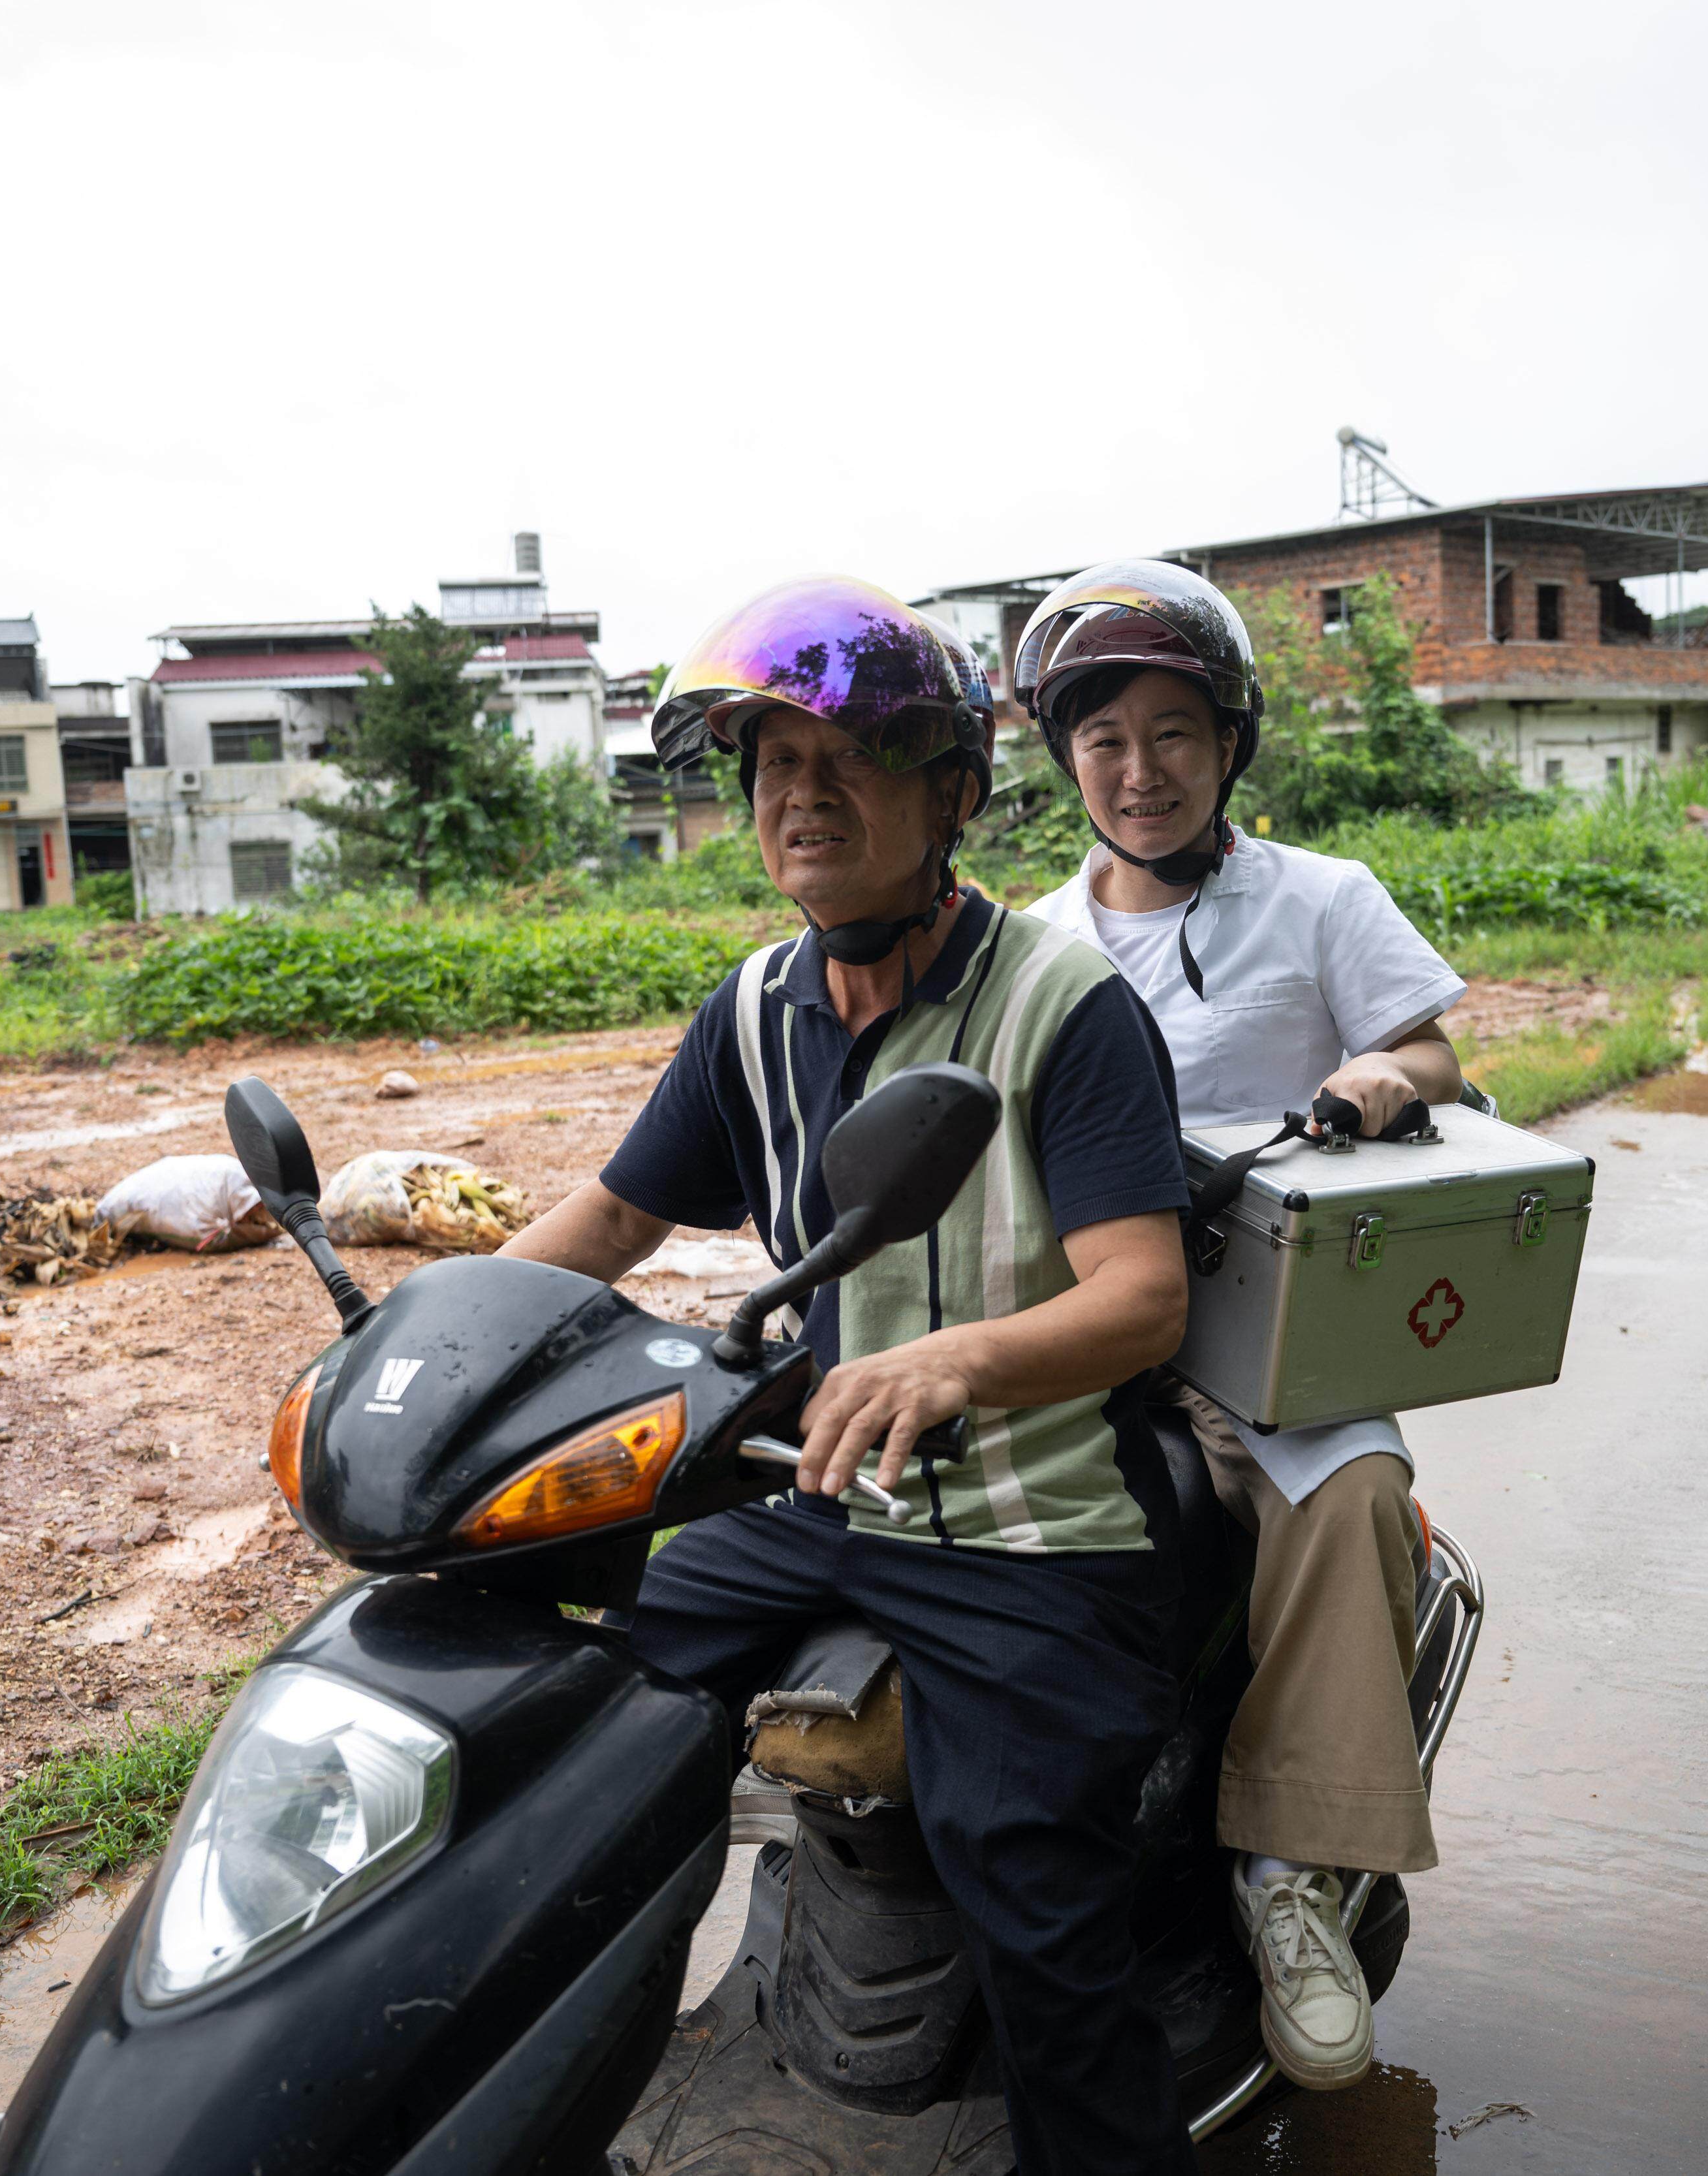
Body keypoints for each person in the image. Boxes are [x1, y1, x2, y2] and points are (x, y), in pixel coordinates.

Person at [499, 575, 1201, 2176]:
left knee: (1025, 1884)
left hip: (1035, 1522)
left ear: (950, 792)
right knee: (583, 1698)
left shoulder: (1060, 1003)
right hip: (835, 1495)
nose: (800, 798)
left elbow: (1141, 1297)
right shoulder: (753, 1006)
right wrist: (437, 1329)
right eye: (770, 766)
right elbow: (615, 1214)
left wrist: (953, 1358)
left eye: (845, 762)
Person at [1019, 559, 1467, 2092]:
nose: (1137, 772)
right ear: (1065, 761)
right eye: (1103, 742)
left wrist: (1382, 1083)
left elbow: (1432, 1047)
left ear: (1228, 746)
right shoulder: (1026, 940)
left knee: (1354, 1492)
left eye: (1171, 734)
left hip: (1267, 1303)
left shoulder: (1321, 896)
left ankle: (1288, 1870)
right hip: (1082, 1293)